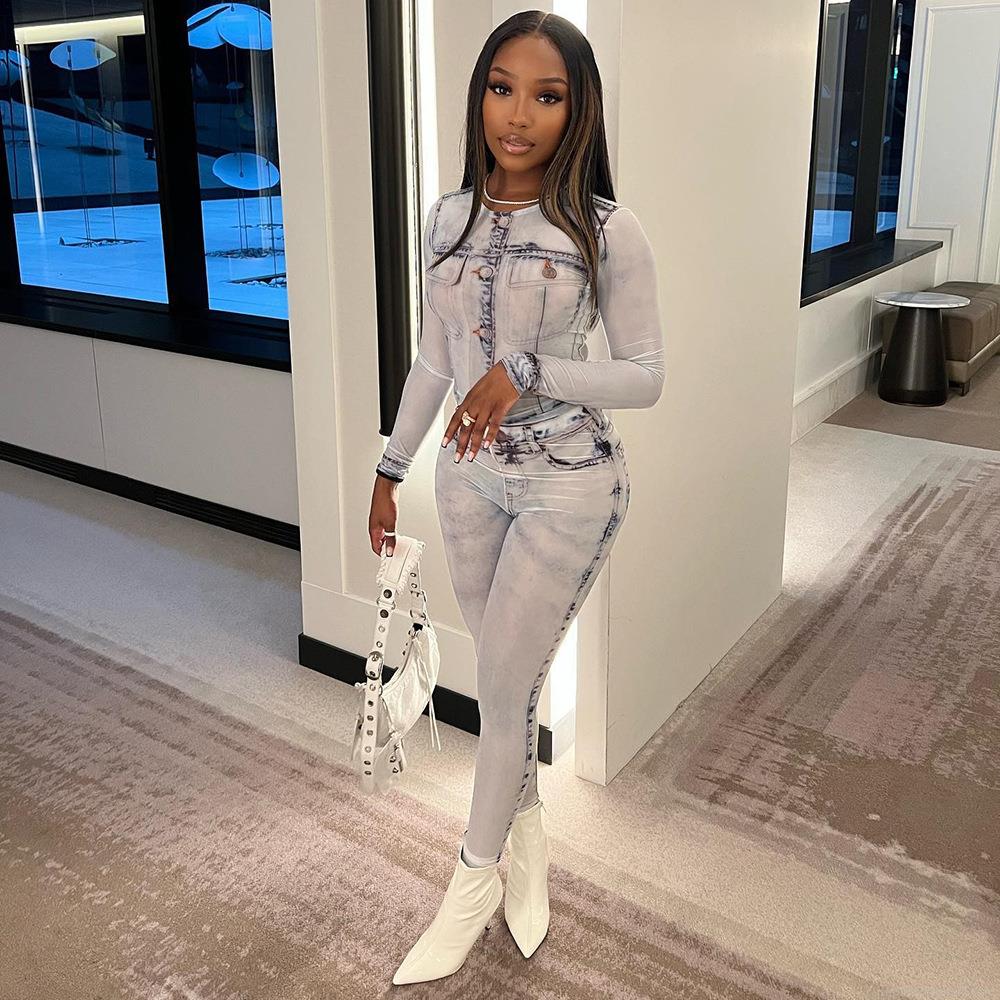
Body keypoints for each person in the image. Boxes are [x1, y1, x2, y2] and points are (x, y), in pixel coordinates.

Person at [367, 10, 665, 985]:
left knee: (500, 691)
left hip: (567, 485)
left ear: (579, 112)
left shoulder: (607, 231)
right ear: (479, 95)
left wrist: (528, 370)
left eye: (548, 96)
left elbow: (645, 376)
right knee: (509, 693)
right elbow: (431, 360)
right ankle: (527, 844)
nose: (519, 115)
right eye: (502, 88)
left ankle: (468, 884)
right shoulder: (444, 219)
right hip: (465, 481)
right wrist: (389, 468)